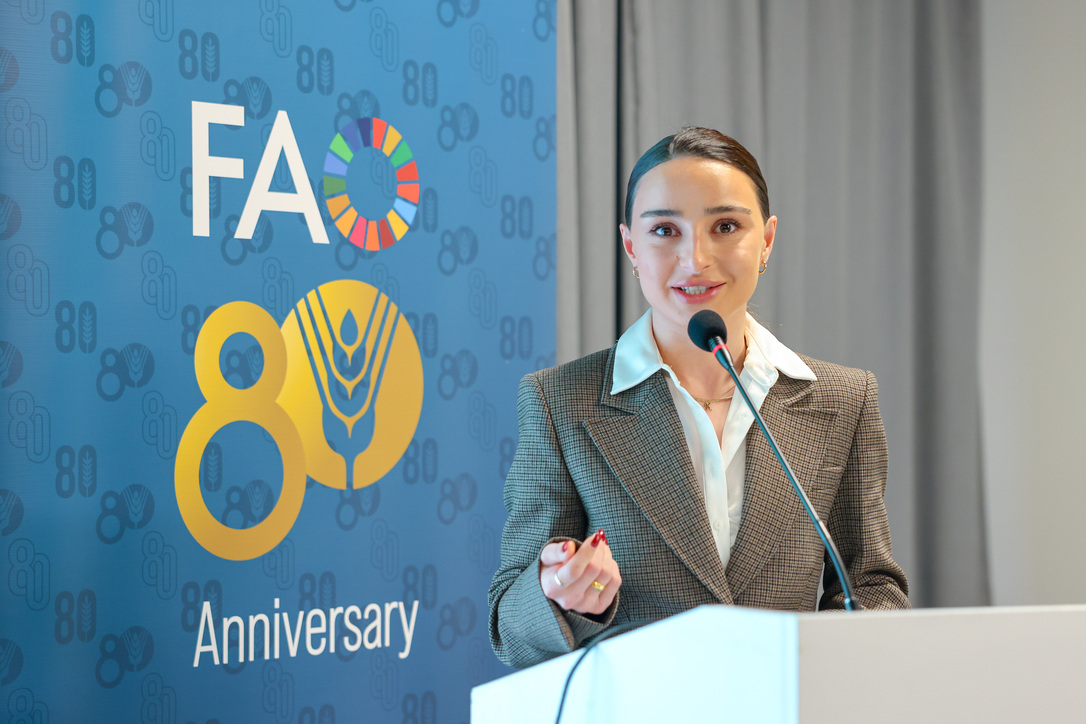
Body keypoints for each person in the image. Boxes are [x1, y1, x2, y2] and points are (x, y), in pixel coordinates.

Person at [488, 127, 909, 670]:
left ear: (767, 240)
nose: (695, 258)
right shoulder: (561, 402)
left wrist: (823, 660)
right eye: (665, 230)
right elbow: (509, 629)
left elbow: (871, 585)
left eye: (726, 226)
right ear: (631, 246)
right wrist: (558, 595)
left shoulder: (843, 401)